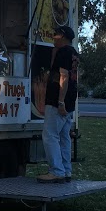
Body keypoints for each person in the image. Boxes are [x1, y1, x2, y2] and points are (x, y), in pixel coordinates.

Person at [39, 25, 78, 183]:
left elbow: (64, 77)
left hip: (58, 100)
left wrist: (60, 101)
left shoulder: (63, 52)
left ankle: (56, 171)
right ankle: (66, 170)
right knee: (63, 137)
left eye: (55, 34)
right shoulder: (73, 52)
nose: (53, 37)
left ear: (62, 36)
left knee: (50, 135)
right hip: (70, 99)